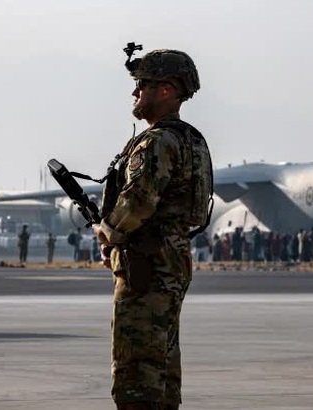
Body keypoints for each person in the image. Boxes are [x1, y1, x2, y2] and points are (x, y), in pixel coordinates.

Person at [93, 45, 212, 410]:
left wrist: (107, 233)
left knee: (136, 366)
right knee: (163, 361)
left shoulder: (157, 142)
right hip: (172, 260)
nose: (134, 92)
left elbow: (139, 201)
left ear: (167, 90)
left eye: (142, 85)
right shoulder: (192, 140)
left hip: (144, 265)